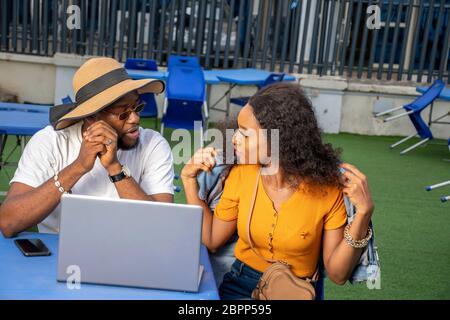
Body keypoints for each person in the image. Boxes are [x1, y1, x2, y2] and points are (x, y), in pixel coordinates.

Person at [181, 82, 375, 299]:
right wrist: (189, 181)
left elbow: (338, 275)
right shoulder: (241, 174)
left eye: (245, 134)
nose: (234, 139)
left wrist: (363, 214)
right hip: (239, 284)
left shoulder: (328, 190)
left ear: (280, 139)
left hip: (295, 291)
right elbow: (211, 239)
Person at [0, 57, 174, 237]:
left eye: (137, 108)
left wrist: (115, 169)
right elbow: (9, 222)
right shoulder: (50, 142)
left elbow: (160, 226)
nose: (135, 118)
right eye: (124, 113)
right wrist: (78, 167)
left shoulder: (153, 144)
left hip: (128, 251)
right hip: (59, 252)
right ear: (92, 117)